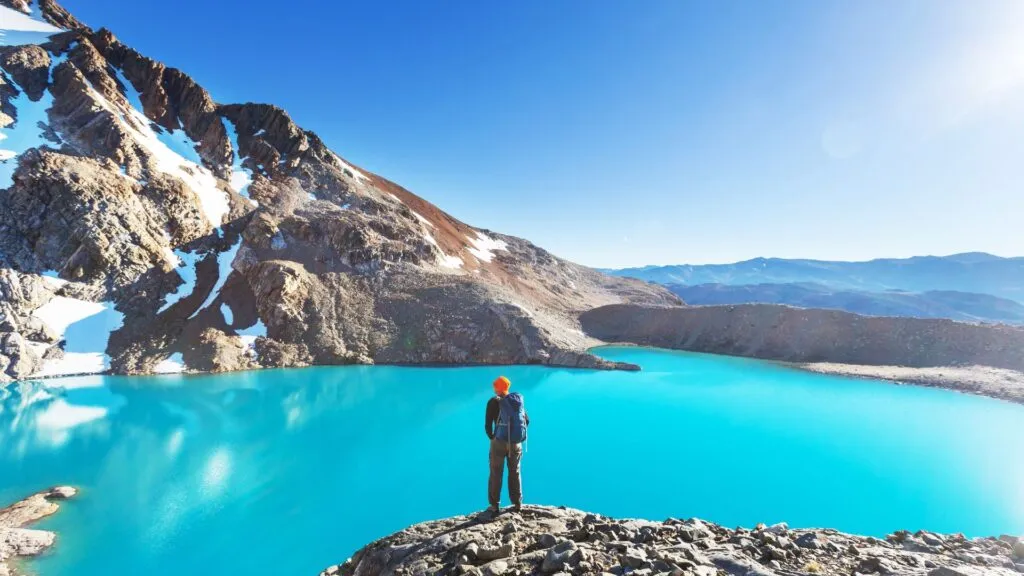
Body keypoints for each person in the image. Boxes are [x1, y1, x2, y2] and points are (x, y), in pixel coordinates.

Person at [485, 375, 529, 513]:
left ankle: (494, 505)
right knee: (514, 472)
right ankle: (517, 503)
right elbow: (527, 421)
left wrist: (493, 437)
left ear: (497, 387)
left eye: (494, 385)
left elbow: (487, 426)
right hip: (516, 443)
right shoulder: (516, 401)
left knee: (496, 473)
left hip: (499, 442)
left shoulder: (493, 401)